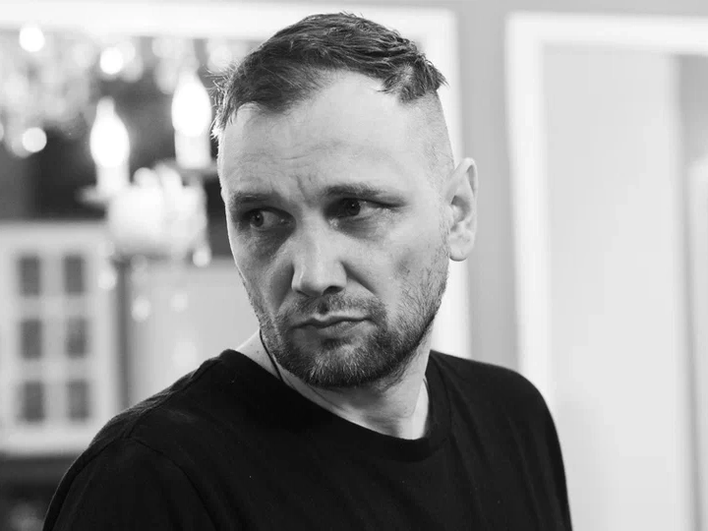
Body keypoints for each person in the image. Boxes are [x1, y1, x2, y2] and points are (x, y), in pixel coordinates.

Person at [43, 13, 572, 530]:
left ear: (457, 213)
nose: (312, 276)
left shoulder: (512, 417)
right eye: (262, 218)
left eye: (354, 208)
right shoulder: (148, 478)